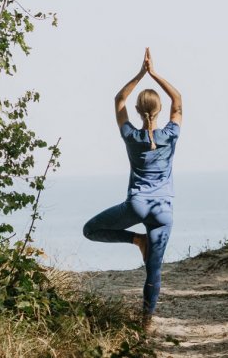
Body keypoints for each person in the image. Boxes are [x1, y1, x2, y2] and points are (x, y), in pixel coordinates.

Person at [83, 47, 182, 327]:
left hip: (137, 204)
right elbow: (178, 99)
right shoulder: (170, 135)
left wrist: (141, 73)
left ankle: (135, 239)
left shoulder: (130, 136)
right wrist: (155, 73)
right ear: (160, 109)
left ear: (138, 111)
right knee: (154, 270)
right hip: (164, 210)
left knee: (90, 230)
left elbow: (119, 99)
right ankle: (146, 323)